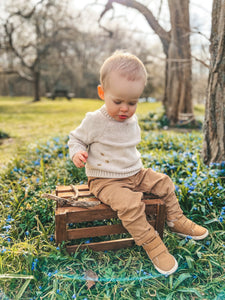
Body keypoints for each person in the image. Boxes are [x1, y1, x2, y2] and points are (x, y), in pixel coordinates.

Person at [68, 50, 208, 275]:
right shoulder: (94, 120)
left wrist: (137, 173)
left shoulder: (130, 118)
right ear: (102, 93)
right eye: (118, 101)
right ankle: (152, 244)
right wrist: (77, 152)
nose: (125, 108)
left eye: (132, 102)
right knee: (130, 205)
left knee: (164, 182)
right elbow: (76, 139)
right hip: (105, 180)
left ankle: (176, 219)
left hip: (135, 173)